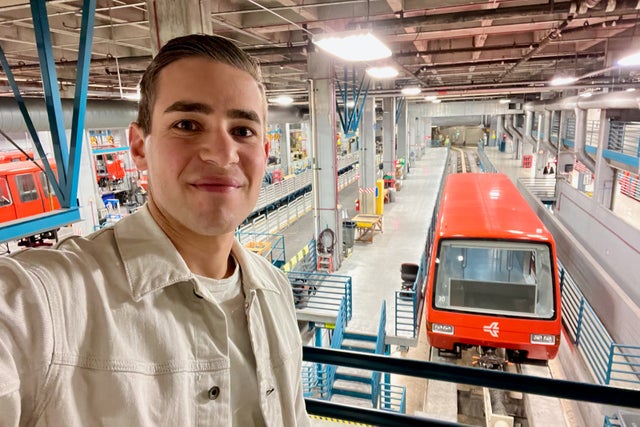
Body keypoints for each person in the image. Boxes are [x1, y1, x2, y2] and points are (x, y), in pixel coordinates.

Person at [0, 34, 310, 426]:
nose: (222, 153)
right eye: (187, 124)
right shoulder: (46, 303)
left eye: (243, 130)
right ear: (139, 148)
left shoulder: (275, 292)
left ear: (264, 154)